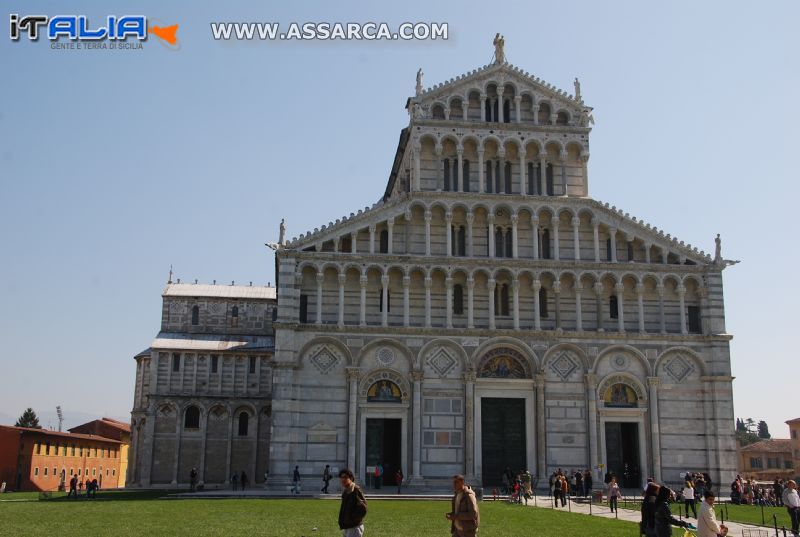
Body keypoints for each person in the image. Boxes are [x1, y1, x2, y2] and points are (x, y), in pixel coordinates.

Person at [338, 469, 367, 537]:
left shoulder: (355, 490)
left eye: (345, 477)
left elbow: (363, 509)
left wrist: (352, 519)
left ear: (351, 478)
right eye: (341, 477)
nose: (343, 479)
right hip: (348, 526)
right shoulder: (346, 491)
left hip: (354, 527)